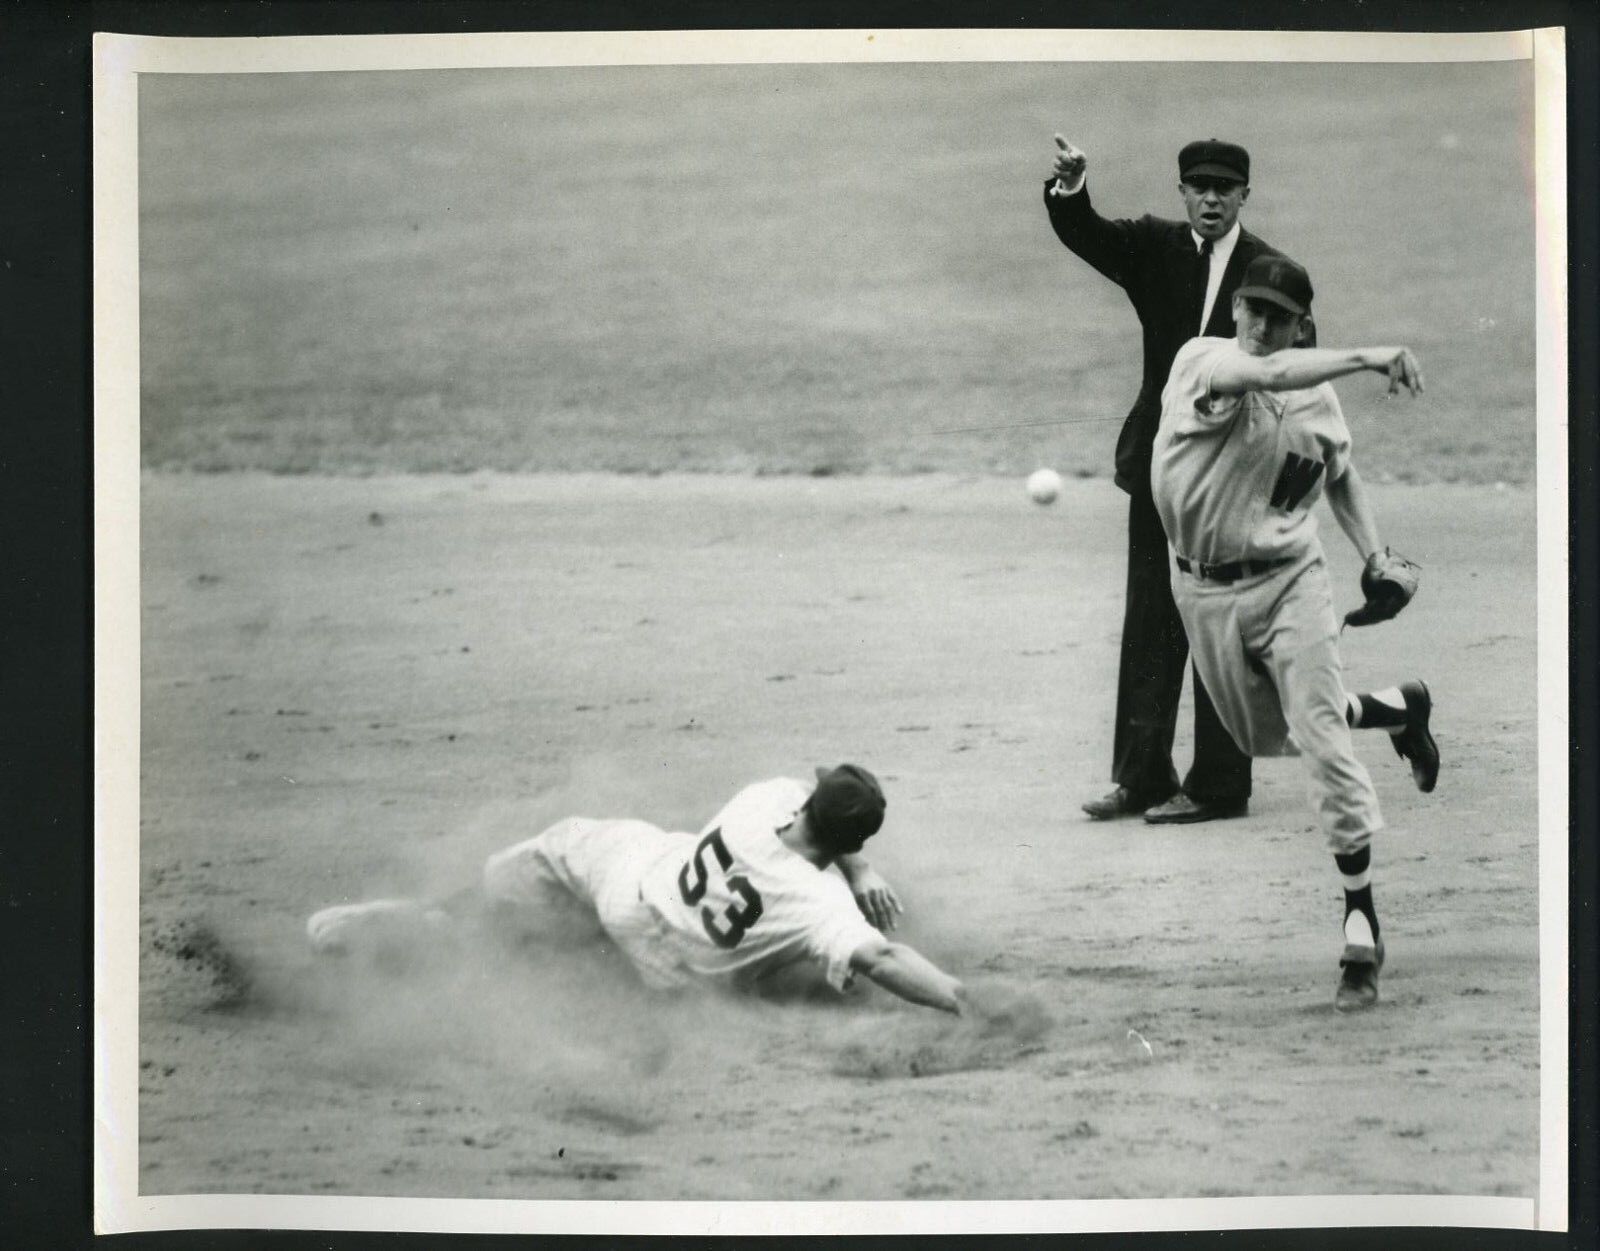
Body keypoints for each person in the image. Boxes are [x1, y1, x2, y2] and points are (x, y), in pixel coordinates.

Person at [1150, 251, 1439, 1011]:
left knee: (1319, 737)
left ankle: (1361, 925)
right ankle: (1397, 707)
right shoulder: (1203, 361)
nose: (1259, 324)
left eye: (1277, 316)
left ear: (1301, 324)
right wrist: (1373, 355)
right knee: (1261, 735)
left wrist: (1373, 555)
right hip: (1202, 591)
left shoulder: (1313, 395)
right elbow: (1269, 377)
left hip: (1290, 582)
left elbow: (1338, 472)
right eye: (1251, 307)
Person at [1046, 134, 1287, 825]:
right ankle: (1142, 775)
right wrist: (1071, 187)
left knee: (1217, 624)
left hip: (1229, 484)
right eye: (1199, 187)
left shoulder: (1270, 270)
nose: (1211, 198)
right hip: (1158, 472)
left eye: (1225, 188)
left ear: (1245, 194)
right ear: (1182, 192)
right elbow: (1085, 232)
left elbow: (1289, 380)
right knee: (1149, 618)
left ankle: (1219, 785)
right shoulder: (1153, 245)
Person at [307, 764, 968, 1015]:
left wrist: (858, 864)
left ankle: (429, 923)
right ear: (851, 842)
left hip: (630, 873)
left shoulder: (765, 795)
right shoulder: (820, 906)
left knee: (548, 858)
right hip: (670, 967)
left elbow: (807, 786)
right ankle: (496, 950)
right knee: (792, 979)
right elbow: (882, 958)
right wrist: (961, 999)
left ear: (809, 805)